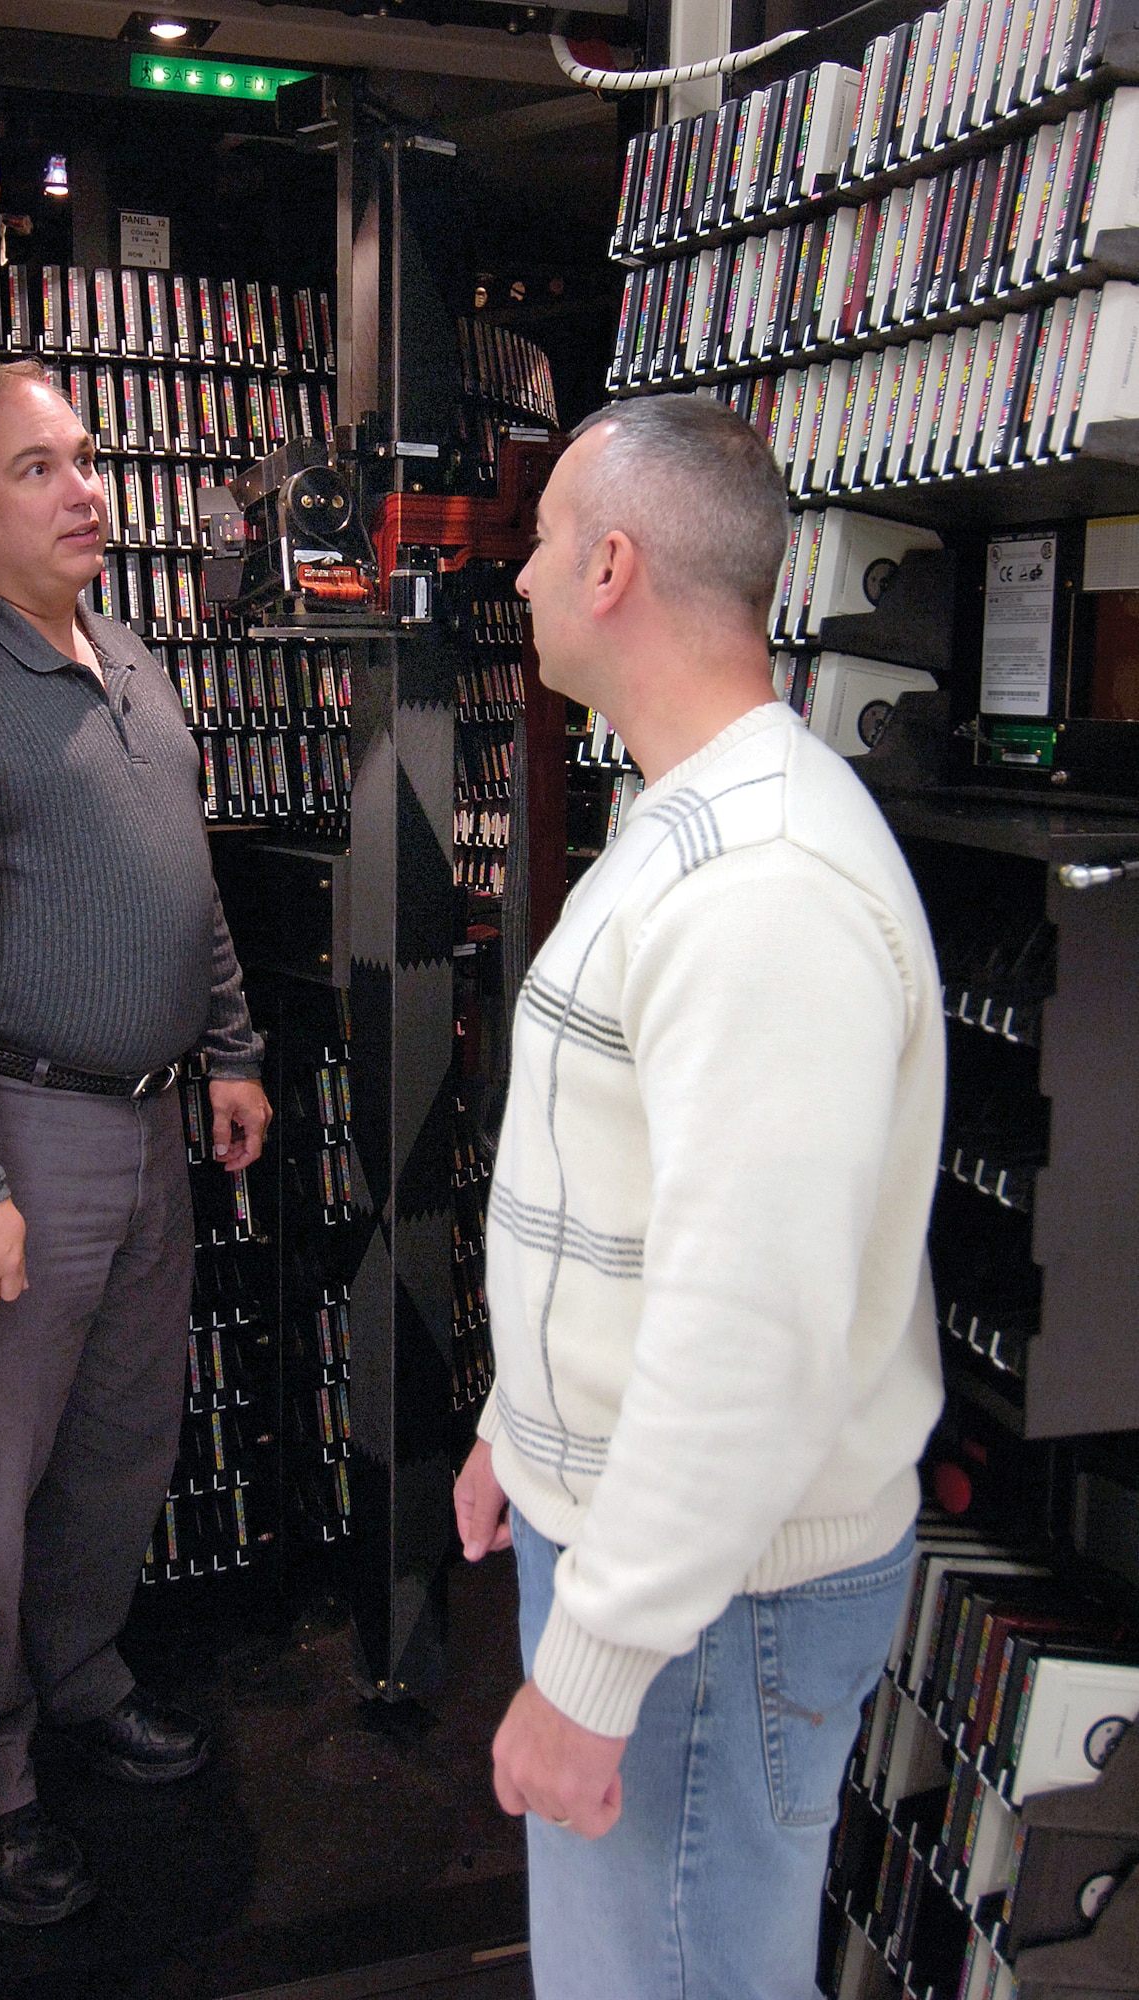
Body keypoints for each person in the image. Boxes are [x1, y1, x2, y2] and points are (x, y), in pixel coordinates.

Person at [453, 395, 946, 1998]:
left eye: (536, 542)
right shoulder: (695, 824)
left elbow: (746, 1331)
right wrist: (520, 1430)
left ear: (608, 566)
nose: (513, 576)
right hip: (663, 1574)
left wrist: (593, 1669)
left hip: (711, 1612)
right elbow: (642, 1209)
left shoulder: (762, 890)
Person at [0, 359, 272, 1926]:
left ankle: (80, 1683)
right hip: (17, 1131)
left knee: (119, 1446)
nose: (85, 490)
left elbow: (188, 880)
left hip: (151, 1123)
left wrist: (228, 1048)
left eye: (85, 460)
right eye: (37, 470)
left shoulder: (132, 660)